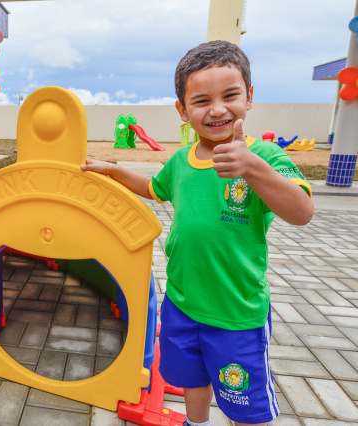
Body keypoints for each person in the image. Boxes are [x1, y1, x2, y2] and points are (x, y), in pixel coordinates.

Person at [81, 40, 313, 426]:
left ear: (250, 97)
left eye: (230, 95)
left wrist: (253, 168)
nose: (218, 109)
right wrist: (113, 170)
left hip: (236, 313)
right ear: (183, 111)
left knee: (244, 402)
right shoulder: (180, 161)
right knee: (191, 378)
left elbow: (302, 211)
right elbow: (154, 188)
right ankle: (197, 423)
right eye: (202, 100)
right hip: (182, 304)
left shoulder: (266, 157)